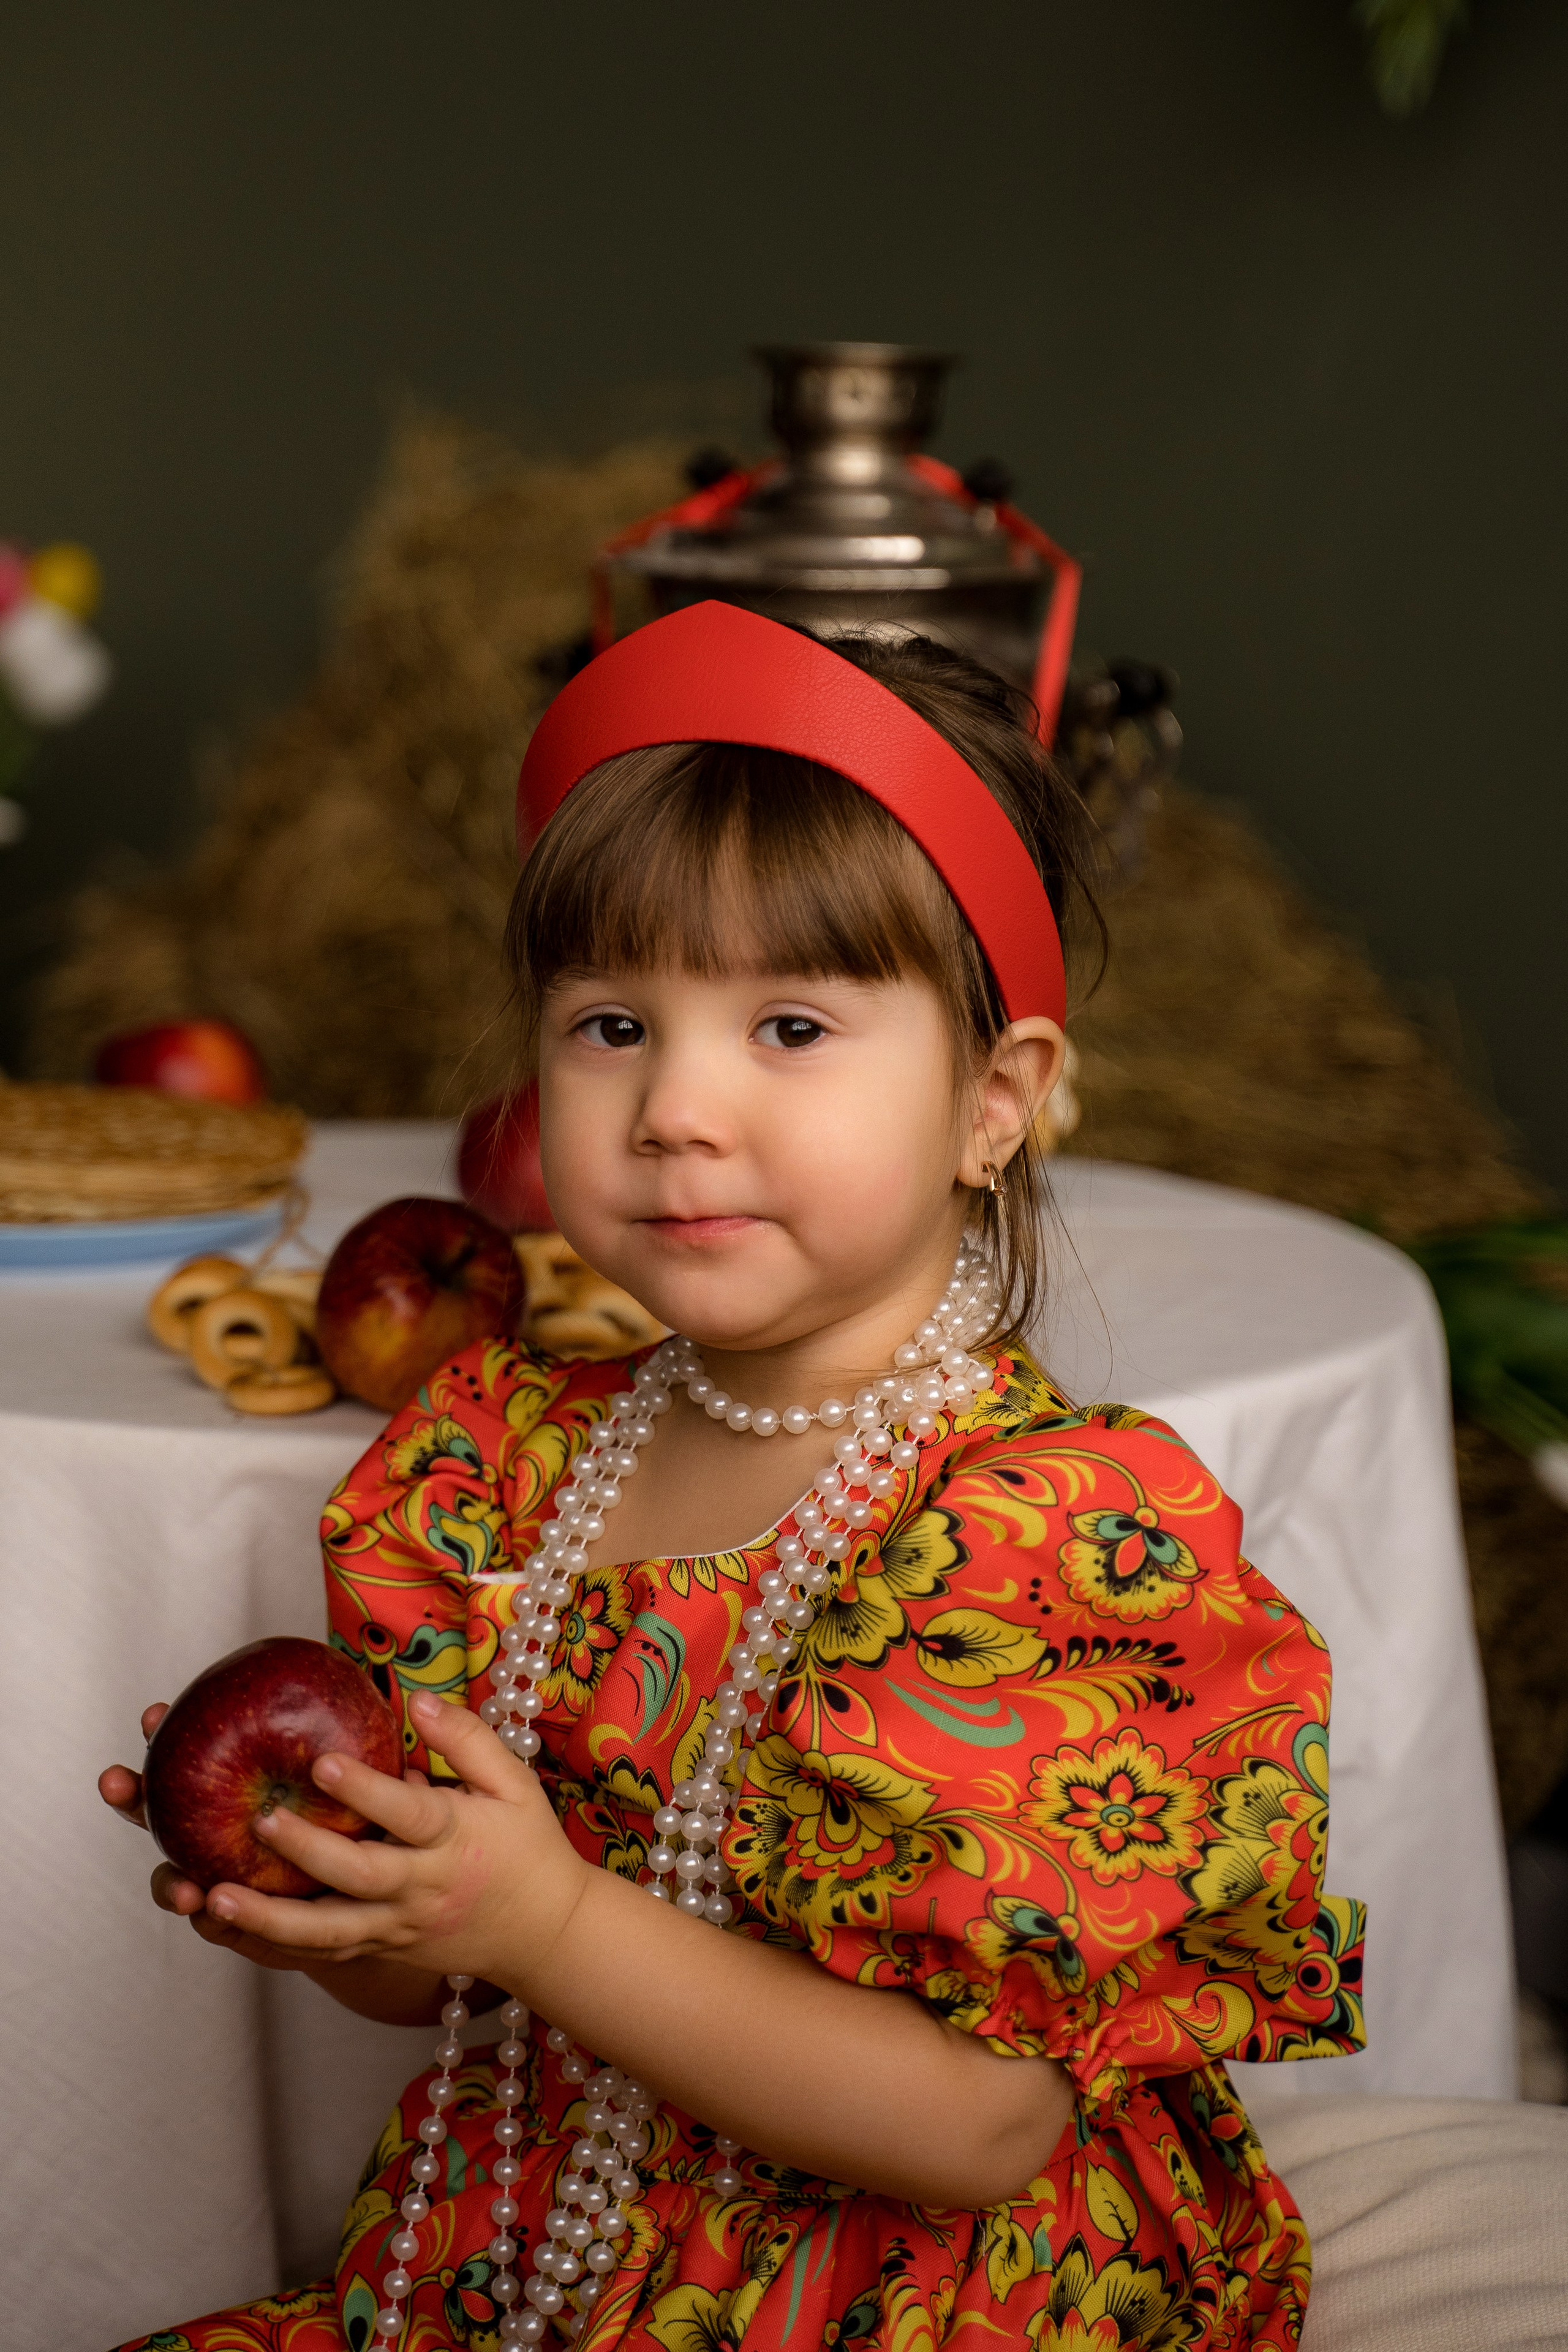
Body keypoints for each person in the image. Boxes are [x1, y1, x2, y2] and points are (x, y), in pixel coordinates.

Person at [101, 603, 1364, 2352]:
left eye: (789, 1028)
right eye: (611, 1024)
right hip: (530, 2255)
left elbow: (984, 2128)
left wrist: (547, 1922)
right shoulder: (495, 1468)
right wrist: (351, 1899)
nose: (677, 1106)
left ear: (996, 1102)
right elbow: (437, 1979)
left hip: (909, 2298)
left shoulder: (1045, 1536)